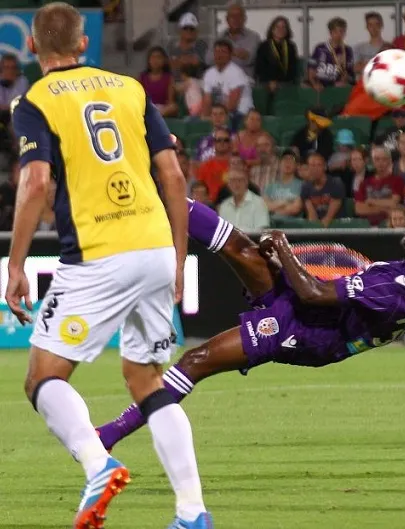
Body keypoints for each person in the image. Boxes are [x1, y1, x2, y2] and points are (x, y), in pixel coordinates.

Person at [7, 4, 211, 528]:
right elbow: (173, 176)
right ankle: (192, 512)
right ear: (83, 44)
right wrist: (178, 257)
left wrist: (16, 264)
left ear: (32, 47)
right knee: (146, 379)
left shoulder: (34, 101)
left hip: (98, 252)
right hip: (154, 245)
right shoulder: (130, 89)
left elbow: (35, 182)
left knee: (43, 377)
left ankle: (98, 464)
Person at [96, 202, 405, 452]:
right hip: (318, 314)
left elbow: (313, 293)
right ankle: (163, 197)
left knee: (196, 360)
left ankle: (108, 436)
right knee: (239, 247)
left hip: (309, 332)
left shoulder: (390, 288)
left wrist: (282, 247)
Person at [211, 3, 261, 79]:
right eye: (232, 16)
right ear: (227, 19)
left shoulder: (254, 37)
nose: (236, 19)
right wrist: (235, 53)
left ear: (244, 19)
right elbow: (209, 59)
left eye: (239, 16)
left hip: (246, 80)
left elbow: (251, 59)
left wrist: (224, 53)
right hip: (223, 80)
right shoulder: (219, 38)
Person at [255, 16, 299, 92]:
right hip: (267, 83)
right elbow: (260, 68)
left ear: (287, 30)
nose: (280, 30)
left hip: (287, 83)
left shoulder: (291, 46)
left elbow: (293, 68)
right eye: (277, 27)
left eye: (283, 27)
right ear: (272, 30)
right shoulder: (264, 46)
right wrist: (270, 81)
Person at [139, 46, 178, 117]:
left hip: (162, 109)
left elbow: (170, 101)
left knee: (173, 107)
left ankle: (155, 116)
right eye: (153, 57)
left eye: (158, 57)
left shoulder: (168, 78)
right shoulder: (142, 77)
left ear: (164, 60)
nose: (155, 60)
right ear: (149, 60)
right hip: (147, 108)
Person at [354, 12, 389, 77]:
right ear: (367, 27)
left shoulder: (388, 48)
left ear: (381, 25)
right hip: (364, 82)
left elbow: (390, 68)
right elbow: (356, 68)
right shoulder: (359, 48)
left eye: (376, 24)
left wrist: (365, 64)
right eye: (370, 25)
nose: (373, 28)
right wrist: (378, 65)